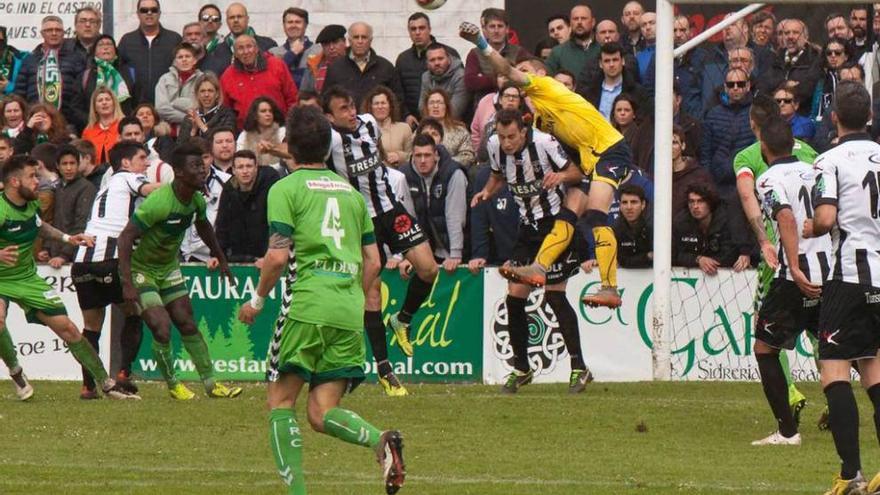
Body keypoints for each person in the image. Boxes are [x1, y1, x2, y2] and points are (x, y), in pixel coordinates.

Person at [236, 104, 405, 495]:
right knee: (321, 412)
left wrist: (257, 301)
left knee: (281, 404)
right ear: (329, 147)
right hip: (347, 311)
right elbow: (374, 261)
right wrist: (353, 297)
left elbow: (277, 256)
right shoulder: (351, 194)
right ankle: (380, 440)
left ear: (289, 146)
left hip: (306, 306)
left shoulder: (284, 188)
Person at [460, 21, 631, 308]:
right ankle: (539, 269)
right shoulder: (539, 119)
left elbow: (506, 70)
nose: (520, 77)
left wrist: (481, 42)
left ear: (540, 73)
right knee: (567, 215)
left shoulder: (546, 86)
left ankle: (609, 287)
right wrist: (492, 188)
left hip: (610, 150)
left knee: (596, 217)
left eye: (526, 72)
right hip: (590, 162)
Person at [322, 85, 439, 396]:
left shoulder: (369, 122)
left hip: (391, 208)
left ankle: (402, 320)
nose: (349, 113)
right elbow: (301, 157)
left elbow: (376, 149)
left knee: (428, 269)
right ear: (329, 117)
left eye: (350, 106)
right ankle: (385, 370)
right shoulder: (330, 139)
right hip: (361, 221)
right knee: (371, 293)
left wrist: (386, 158)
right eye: (341, 110)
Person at [471, 108, 592, 394]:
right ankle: (522, 368)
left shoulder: (544, 143)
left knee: (554, 295)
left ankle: (579, 368)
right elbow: (498, 175)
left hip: (555, 226)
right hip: (527, 228)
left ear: (523, 132)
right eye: (501, 137)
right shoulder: (494, 147)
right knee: (514, 297)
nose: (506, 143)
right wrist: (488, 191)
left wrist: (560, 178)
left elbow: (578, 170)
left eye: (511, 137)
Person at [0, 154, 138, 401]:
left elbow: (39, 226)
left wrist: (68, 238)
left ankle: (106, 384)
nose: (37, 182)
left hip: (27, 278)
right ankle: (17, 373)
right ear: (13, 181)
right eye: (32, 176)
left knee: (69, 329)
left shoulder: (31, 204)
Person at [117, 142, 241, 400]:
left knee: (186, 322)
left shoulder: (195, 200)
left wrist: (222, 259)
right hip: (144, 271)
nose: (203, 170)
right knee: (161, 327)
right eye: (196, 166)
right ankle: (174, 385)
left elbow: (205, 227)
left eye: (203, 165)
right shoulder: (158, 203)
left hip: (168, 268)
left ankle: (211, 384)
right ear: (180, 172)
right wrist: (127, 282)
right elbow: (125, 238)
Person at [808, 81, 880, 494]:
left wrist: (811, 225)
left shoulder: (828, 162)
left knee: (834, 371)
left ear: (834, 117)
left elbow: (826, 217)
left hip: (848, 277)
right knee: (872, 368)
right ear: (869, 116)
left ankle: (850, 474)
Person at [734, 94, 819, 423]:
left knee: (765, 331)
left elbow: (746, 193)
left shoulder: (749, 156)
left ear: (753, 124)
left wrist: (763, 241)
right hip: (820, 253)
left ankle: (790, 395)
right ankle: (833, 386)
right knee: (820, 328)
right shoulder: (809, 152)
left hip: (780, 256)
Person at [749, 116, 830, 447]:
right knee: (848, 350)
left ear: (764, 148)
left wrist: (794, 266)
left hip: (793, 277)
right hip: (830, 272)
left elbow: (784, 216)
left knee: (764, 348)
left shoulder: (768, 179)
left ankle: (787, 431)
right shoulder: (816, 171)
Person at [72, 140, 161, 397]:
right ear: (125, 163)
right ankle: (123, 373)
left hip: (83, 260)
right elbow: (149, 190)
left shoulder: (107, 185)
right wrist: (182, 187)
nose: (146, 163)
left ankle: (88, 386)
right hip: (109, 256)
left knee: (91, 327)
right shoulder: (126, 178)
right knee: (133, 312)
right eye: (142, 158)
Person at [400, 134, 468, 271]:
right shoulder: (404, 175)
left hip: (457, 247)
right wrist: (408, 255)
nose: (423, 160)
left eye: (427, 155)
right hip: (426, 248)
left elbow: (455, 216)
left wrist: (455, 254)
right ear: (412, 155)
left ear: (436, 155)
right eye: (418, 156)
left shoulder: (453, 173)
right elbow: (407, 219)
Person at [14, 16, 88, 132]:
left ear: (63, 33)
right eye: (49, 30)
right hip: (35, 122)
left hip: (68, 123)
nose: (54, 33)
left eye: (58, 30)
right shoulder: (30, 60)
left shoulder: (76, 59)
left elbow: (82, 92)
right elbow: (20, 93)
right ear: (42, 33)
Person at [324, 22, 407, 116]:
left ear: (370, 40)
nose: (360, 41)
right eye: (356, 37)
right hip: (345, 126)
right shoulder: (335, 68)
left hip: (378, 126)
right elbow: (326, 100)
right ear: (349, 40)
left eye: (364, 37)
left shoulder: (386, 67)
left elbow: (397, 100)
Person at [221, 34, 298, 131]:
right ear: (235, 54)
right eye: (240, 48)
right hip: (246, 133)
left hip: (279, 129)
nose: (246, 52)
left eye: (249, 46)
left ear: (256, 49)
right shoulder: (227, 76)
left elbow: (292, 98)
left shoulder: (277, 65)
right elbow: (226, 110)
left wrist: (289, 126)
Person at [215, 149, 278, 263]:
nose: (245, 171)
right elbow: (221, 225)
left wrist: (270, 256)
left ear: (256, 168)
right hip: (238, 256)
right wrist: (217, 255)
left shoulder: (269, 184)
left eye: (249, 166)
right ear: (233, 170)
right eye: (240, 167)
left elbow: (276, 223)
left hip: (267, 255)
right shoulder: (229, 189)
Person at [672, 183, 751, 273]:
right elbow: (676, 254)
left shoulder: (726, 220)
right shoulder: (681, 222)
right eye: (691, 201)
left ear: (710, 203)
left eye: (700, 201)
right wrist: (698, 259)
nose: (695, 206)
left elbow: (730, 253)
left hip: (728, 273)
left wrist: (709, 262)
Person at [41, 145, 96, 270]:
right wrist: (47, 248)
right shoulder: (58, 187)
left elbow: (81, 225)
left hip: (75, 256)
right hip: (56, 253)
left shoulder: (86, 188)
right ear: (57, 166)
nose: (69, 168)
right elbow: (53, 221)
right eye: (64, 164)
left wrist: (64, 256)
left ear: (78, 164)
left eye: (72, 163)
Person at [396, 12, 459, 123]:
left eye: (422, 28)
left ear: (429, 29)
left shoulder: (449, 53)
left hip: (447, 120)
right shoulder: (403, 59)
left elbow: (459, 86)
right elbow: (398, 92)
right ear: (409, 32)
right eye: (413, 29)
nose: (417, 32)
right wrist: (406, 115)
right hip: (413, 121)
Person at [117, 0, 182, 106]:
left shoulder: (174, 39)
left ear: (159, 13)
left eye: (154, 10)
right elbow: (118, 73)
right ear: (138, 14)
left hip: (168, 107)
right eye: (144, 10)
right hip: (135, 108)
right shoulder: (127, 40)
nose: (149, 13)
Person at [701, 68, 755, 195]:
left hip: (748, 183)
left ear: (748, 86)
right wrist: (708, 183)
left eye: (740, 84)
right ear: (725, 87)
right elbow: (705, 153)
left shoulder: (757, 113)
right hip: (718, 185)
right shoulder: (713, 114)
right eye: (731, 84)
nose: (735, 88)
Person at [463, 9, 531, 106]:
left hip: (514, 107)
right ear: (485, 30)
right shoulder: (475, 53)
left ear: (507, 29)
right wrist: (495, 81)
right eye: (492, 26)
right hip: (484, 107)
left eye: (500, 26)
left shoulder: (519, 52)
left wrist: (483, 79)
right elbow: (470, 82)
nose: (496, 31)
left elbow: (528, 77)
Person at [200, 2, 277, 77]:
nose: (235, 20)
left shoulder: (267, 45)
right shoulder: (217, 50)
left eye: (239, 16)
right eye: (231, 17)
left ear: (247, 19)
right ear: (227, 21)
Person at [82, 35, 135, 115]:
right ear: (94, 52)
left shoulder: (129, 73)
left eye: (109, 44)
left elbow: (139, 102)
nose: (105, 48)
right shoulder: (86, 76)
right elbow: (77, 106)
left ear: (115, 50)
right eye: (101, 45)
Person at [421, 88, 475, 168]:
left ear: (446, 107)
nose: (435, 106)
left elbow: (468, 157)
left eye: (439, 103)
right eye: (432, 103)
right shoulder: (420, 131)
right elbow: (410, 156)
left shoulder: (460, 131)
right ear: (427, 107)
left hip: (452, 172)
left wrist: (443, 162)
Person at [177, 72, 236, 142]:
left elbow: (222, 143)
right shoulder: (189, 118)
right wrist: (193, 130)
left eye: (210, 91)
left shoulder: (226, 115)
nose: (206, 95)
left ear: (217, 94)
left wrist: (202, 126)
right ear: (197, 94)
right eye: (202, 91)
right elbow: (180, 148)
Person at [362, 85, 412, 167]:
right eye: (376, 104)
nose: (380, 107)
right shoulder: (363, 131)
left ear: (390, 106)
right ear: (370, 107)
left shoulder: (404, 128)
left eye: (383, 103)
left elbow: (413, 156)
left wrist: (400, 157)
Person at [154, 42, 203, 126]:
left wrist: (174, 103)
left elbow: (200, 107)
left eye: (187, 56)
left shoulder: (203, 79)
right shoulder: (165, 79)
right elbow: (161, 108)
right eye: (180, 57)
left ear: (195, 60)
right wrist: (185, 118)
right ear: (175, 61)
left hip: (193, 130)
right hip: (168, 130)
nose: (184, 59)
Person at [271, 7, 320, 89]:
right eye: (290, 22)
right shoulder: (273, 53)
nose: (293, 25)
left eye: (298, 22)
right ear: (284, 26)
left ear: (305, 25)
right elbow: (272, 78)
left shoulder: (318, 51)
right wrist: (291, 54)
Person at [235, 97, 289, 169]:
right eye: (263, 111)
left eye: (270, 111)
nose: (268, 114)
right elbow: (239, 158)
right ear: (255, 115)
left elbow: (287, 158)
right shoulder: (244, 135)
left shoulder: (282, 132)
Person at [546, 5, 598, 79]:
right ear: (570, 23)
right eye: (575, 19)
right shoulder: (557, 52)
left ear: (593, 22)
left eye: (583, 18)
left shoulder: (602, 50)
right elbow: (547, 81)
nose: (579, 22)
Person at [671, 125, 712, 218]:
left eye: (674, 143)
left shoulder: (698, 175)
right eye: (666, 143)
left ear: (683, 146)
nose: (670, 147)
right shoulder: (655, 176)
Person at [418, 43, 468, 120]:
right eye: (432, 60)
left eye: (440, 58)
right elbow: (422, 108)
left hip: (454, 124)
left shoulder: (461, 76)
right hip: (430, 123)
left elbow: (455, 111)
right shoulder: (425, 77)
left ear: (448, 59)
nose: (437, 63)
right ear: (427, 64)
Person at [82, 86, 124, 164]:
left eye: (107, 99)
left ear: (114, 103)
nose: (104, 103)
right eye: (100, 100)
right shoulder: (88, 131)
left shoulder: (124, 126)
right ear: (94, 107)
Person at [300, 24, 346, 94]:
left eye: (335, 42)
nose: (331, 47)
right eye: (326, 44)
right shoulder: (313, 65)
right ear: (322, 46)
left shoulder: (354, 62)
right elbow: (304, 95)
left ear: (344, 42)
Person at [614, 183, 652, 268]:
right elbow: (621, 260)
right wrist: (647, 257)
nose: (629, 207)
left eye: (634, 202)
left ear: (643, 205)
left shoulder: (653, 227)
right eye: (624, 202)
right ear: (620, 206)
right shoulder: (615, 230)